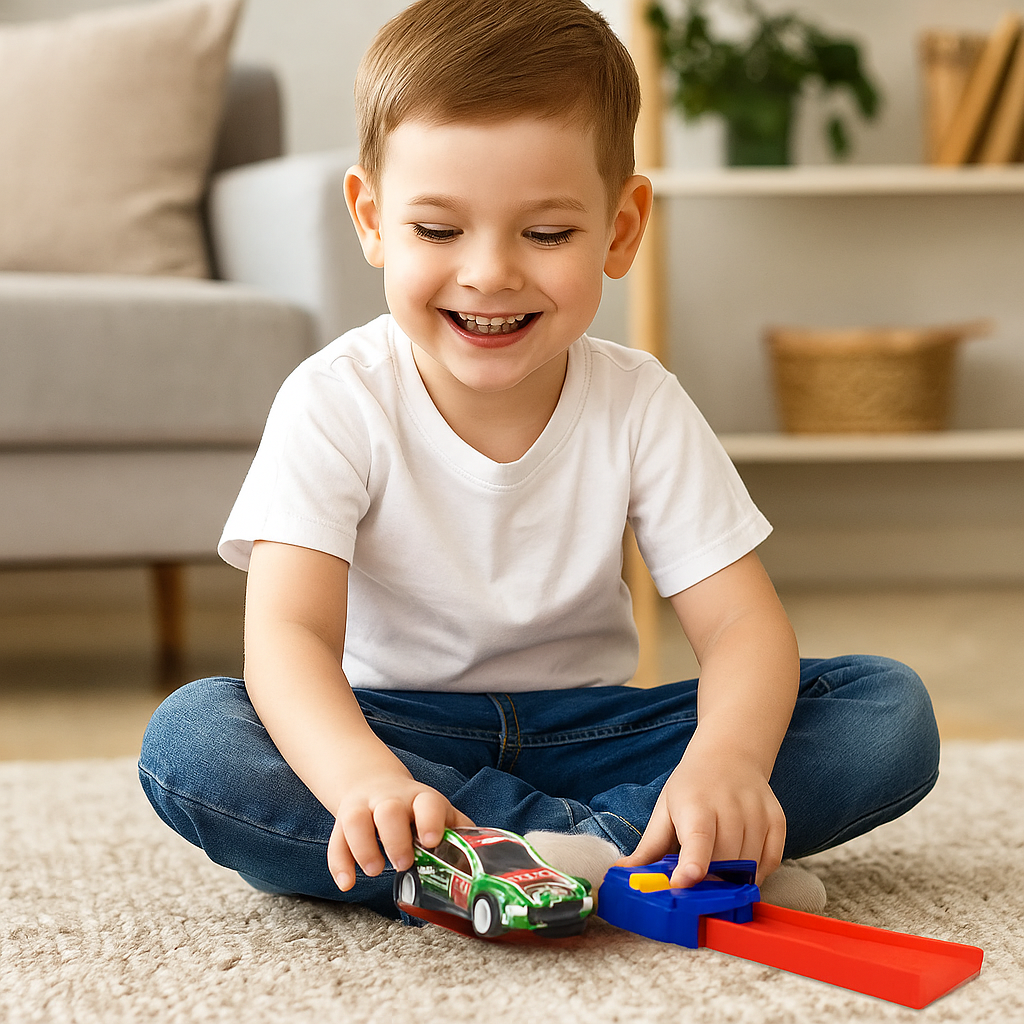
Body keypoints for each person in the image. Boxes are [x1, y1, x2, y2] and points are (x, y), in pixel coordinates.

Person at [139, 0, 940, 922]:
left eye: (546, 234)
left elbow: (743, 632)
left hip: (596, 728)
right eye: (438, 231)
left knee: (887, 710)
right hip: (398, 731)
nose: (488, 274)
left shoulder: (640, 401)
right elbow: (288, 641)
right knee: (194, 738)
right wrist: (363, 777)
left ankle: (514, 865)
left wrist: (726, 764)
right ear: (370, 218)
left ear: (621, 228)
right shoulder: (334, 399)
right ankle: (634, 858)